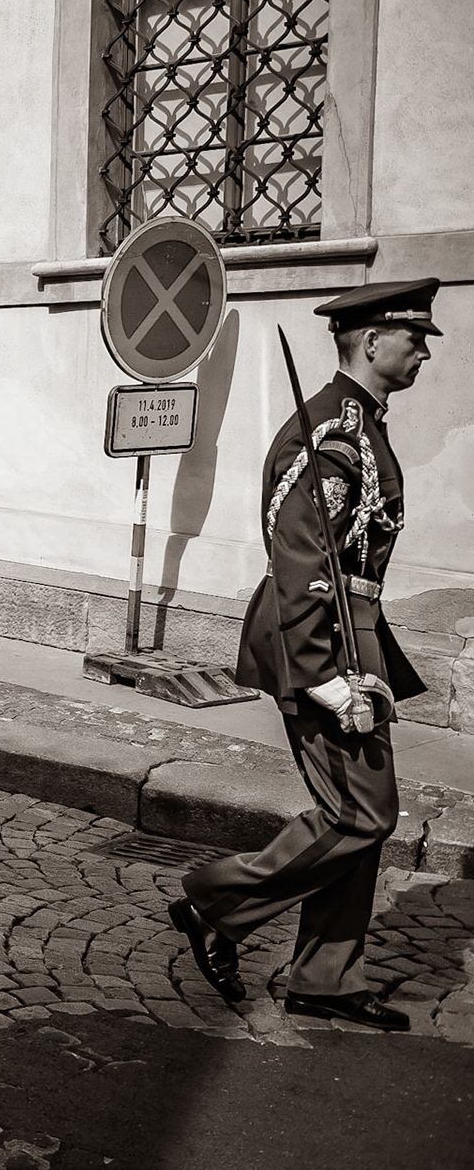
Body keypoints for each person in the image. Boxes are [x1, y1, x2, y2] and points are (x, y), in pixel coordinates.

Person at [170, 279, 439, 1032]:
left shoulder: (363, 424)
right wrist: (325, 676)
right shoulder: (331, 433)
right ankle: (214, 902)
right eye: (413, 337)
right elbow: (299, 555)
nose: (422, 351)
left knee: (351, 812)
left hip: (356, 634)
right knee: (363, 813)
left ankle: (325, 977)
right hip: (318, 640)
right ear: (370, 340)